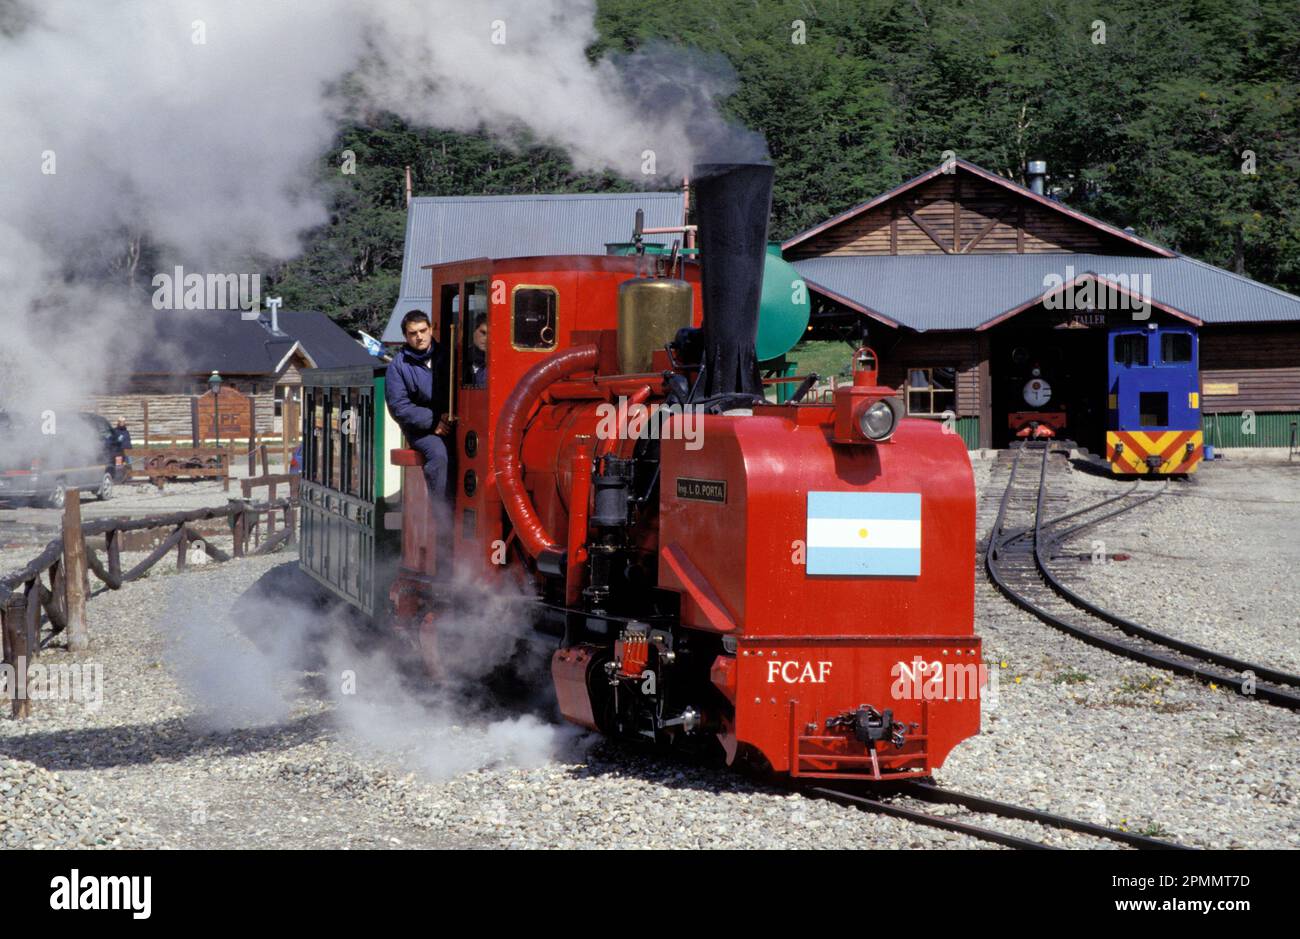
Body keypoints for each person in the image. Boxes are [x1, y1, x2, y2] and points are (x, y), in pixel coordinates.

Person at [385, 310, 453, 498]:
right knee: (439, 455)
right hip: (420, 430)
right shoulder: (398, 367)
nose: (419, 337)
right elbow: (400, 408)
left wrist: (449, 413)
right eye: (413, 333)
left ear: (431, 329)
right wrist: (434, 422)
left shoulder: (449, 355)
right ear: (406, 336)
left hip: (452, 419)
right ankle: (441, 513)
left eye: (423, 330)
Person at [469, 313, 488, 388]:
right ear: (474, 332)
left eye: (490, 334)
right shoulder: (463, 357)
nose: (486, 339)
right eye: (483, 333)